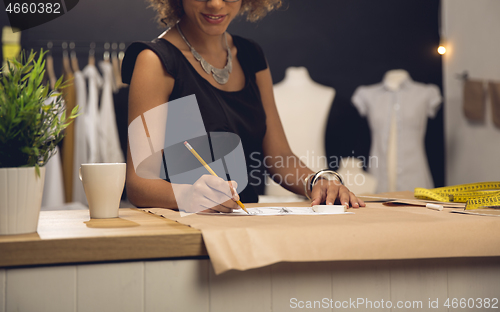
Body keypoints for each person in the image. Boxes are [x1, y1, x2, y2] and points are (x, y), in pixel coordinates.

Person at [122, 0, 365, 212]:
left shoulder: (251, 55)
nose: (216, 4)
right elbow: (139, 182)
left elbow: (279, 156)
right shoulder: (155, 61)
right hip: (184, 230)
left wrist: (317, 181)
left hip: (246, 226)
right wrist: (186, 195)